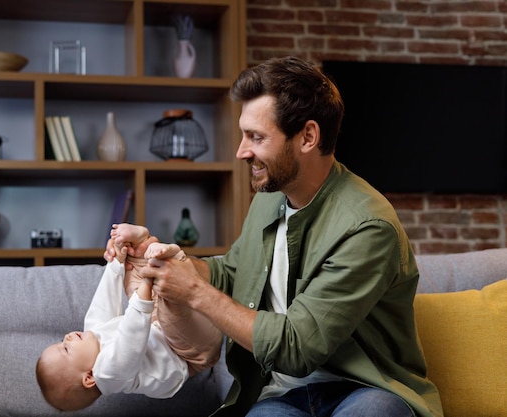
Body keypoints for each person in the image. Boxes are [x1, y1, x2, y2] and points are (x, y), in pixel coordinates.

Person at [106, 56, 443, 417]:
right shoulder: (269, 199)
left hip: (367, 390)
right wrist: (163, 257)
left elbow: (297, 347)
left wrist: (193, 291)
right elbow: (233, 274)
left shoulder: (367, 227)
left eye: (256, 137)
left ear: (308, 137)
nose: (241, 151)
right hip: (283, 395)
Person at [36, 223, 222, 412]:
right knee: (164, 301)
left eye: (61, 341)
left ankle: (140, 245)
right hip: (190, 353)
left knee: (131, 273)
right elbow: (131, 338)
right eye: (66, 349)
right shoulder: (109, 375)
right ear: (89, 377)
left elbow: (104, 299)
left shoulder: (92, 333)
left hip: (160, 326)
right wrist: (148, 281)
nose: (67, 337)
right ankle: (162, 260)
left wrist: (117, 263)